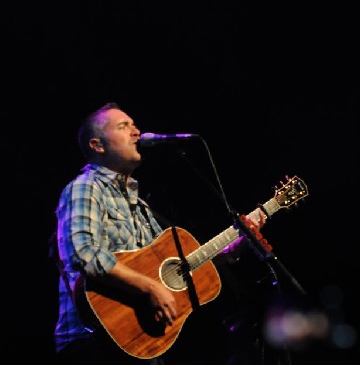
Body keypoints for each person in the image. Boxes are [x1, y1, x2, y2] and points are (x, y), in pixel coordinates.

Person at [51, 102, 266, 365]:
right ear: (98, 145)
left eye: (133, 125)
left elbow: (176, 268)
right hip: (93, 343)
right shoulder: (85, 187)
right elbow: (82, 253)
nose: (136, 132)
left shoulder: (140, 206)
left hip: (141, 342)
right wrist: (149, 287)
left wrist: (231, 250)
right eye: (124, 126)